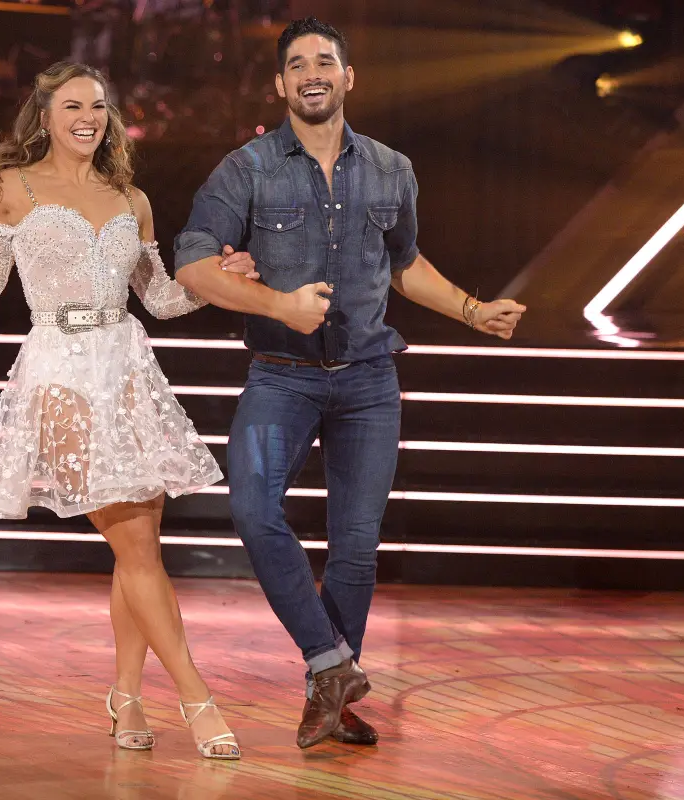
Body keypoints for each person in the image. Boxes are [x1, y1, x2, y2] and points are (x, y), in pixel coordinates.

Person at [0, 61, 260, 760]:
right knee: (135, 544)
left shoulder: (130, 197)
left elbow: (161, 300)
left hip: (126, 368)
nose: (88, 118)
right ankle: (198, 698)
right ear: (44, 116)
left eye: (98, 106)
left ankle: (126, 697)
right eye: (73, 106)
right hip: (60, 370)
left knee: (139, 549)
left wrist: (218, 282)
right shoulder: (12, 187)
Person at [174, 17, 526, 749]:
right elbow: (193, 265)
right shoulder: (246, 168)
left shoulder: (392, 168)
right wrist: (279, 304)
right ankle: (330, 660)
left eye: (325, 61)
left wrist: (472, 310)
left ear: (348, 77)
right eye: (298, 63)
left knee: (356, 547)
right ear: (280, 84)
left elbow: (405, 263)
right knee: (252, 509)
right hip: (282, 376)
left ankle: (330, 698)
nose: (313, 72)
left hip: (369, 381)